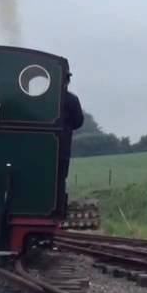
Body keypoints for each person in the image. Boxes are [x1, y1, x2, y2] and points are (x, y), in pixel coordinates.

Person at [58, 72, 85, 209]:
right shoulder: (72, 100)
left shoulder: (45, 98)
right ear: (67, 82)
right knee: (60, 176)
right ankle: (58, 206)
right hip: (63, 144)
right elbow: (79, 121)